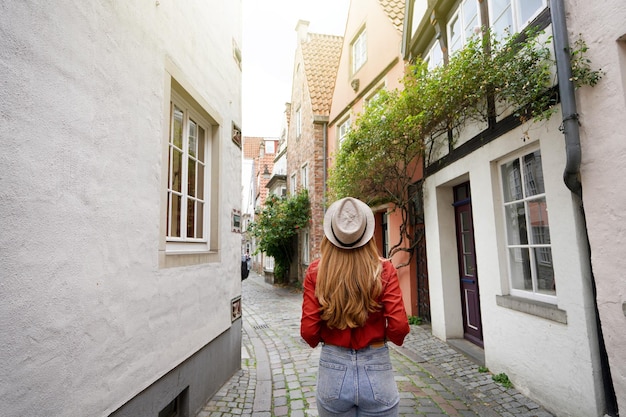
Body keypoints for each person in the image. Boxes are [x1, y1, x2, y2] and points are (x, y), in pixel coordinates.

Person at [300, 197, 410, 417]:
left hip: (333, 368)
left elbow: (308, 332)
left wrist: (328, 338)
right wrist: (382, 338)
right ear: (367, 234)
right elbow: (399, 327)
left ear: (331, 236)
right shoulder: (384, 270)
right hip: (377, 366)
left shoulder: (316, 272)